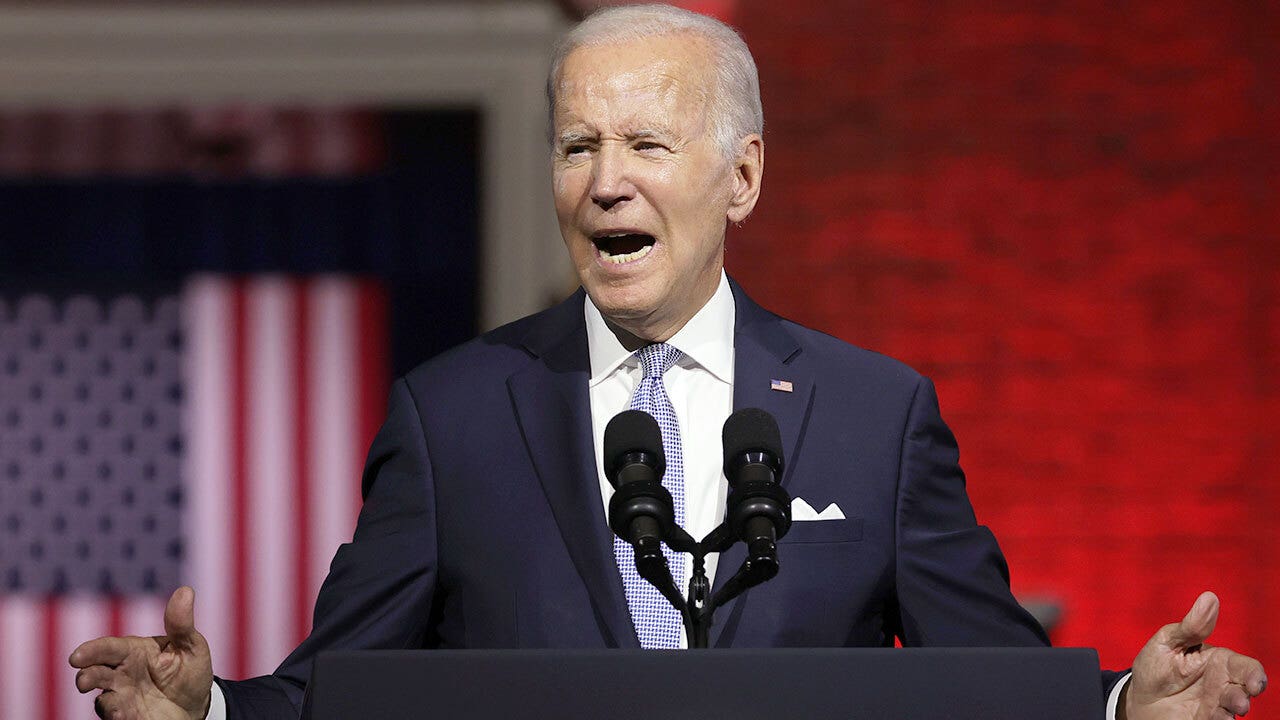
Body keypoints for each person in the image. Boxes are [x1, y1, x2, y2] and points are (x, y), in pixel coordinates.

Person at [70, 5, 1266, 720]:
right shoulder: (454, 416)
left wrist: (1119, 705)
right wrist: (211, 709)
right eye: (577, 146)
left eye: (645, 141)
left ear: (740, 177)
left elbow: (986, 676)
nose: (604, 181)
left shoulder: (872, 413)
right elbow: (343, 692)